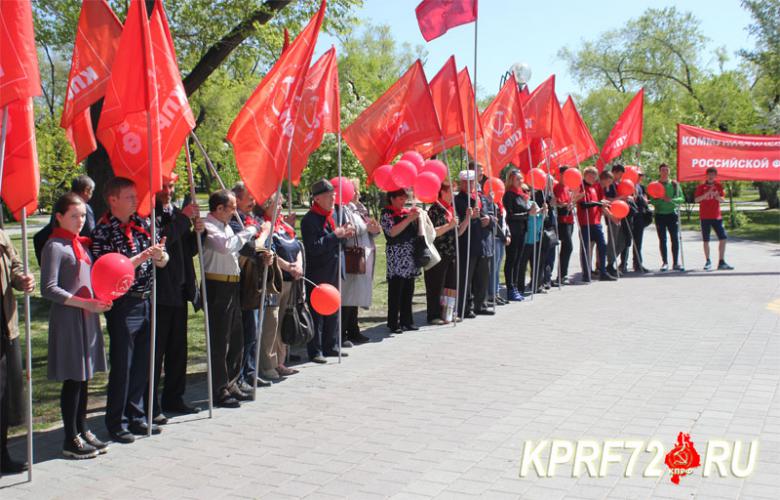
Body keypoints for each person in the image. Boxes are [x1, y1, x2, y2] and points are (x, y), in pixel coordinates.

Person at [91, 177, 169, 443]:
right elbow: (109, 269)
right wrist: (144, 256)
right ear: (112, 200)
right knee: (123, 364)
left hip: (147, 298)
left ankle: (137, 415)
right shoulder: (103, 231)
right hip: (123, 304)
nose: (136, 201)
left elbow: (161, 259)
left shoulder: (142, 225)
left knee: (144, 363)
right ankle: (117, 421)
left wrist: (160, 256)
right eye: (129, 197)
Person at [41, 193, 111, 459]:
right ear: (58, 217)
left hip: (86, 316)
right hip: (69, 318)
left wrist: (100, 298)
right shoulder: (55, 246)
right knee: (73, 378)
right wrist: (84, 303)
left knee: (84, 377)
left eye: (83, 215)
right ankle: (70, 437)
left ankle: (82, 428)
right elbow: (49, 289)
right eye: (74, 215)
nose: (80, 220)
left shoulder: (79, 244)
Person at [151, 173, 204, 425]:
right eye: (164, 186)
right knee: (157, 351)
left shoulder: (175, 213)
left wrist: (198, 234)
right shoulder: (151, 213)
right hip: (160, 292)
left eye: (171, 186)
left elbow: (188, 250)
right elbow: (163, 239)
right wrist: (183, 219)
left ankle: (175, 396)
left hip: (180, 289)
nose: (168, 191)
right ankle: (152, 403)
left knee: (177, 351)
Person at [203, 189, 263, 408]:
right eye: (231, 208)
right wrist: (250, 230)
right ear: (219, 208)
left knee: (236, 337)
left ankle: (232, 382)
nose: (234, 212)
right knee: (220, 340)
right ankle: (219, 388)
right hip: (216, 285)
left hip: (232, 283)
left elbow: (236, 250)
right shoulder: (208, 226)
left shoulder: (226, 225)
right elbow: (225, 247)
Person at [301, 179, 354, 362]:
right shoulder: (309, 219)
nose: (333, 198)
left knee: (334, 308)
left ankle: (331, 345)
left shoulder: (333, 215)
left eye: (333, 195)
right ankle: (315, 350)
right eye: (328, 196)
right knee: (317, 313)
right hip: (318, 271)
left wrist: (344, 235)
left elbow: (334, 241)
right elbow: (314, 247)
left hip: (334, 268)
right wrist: (335, 235)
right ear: (317, 198)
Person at [230, 183, 273, 390]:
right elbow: (249, 248)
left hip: (257, 279)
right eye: (248, 197)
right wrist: (263, 235)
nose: (253, 201)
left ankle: (251, 372)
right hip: (243, 283)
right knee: (247, 331)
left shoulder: (252, 219)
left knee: (256, 329)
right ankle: (240, 376)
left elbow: (262, 247)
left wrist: (266, 252)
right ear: (236, 199)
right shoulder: (234, 221)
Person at [0, 228, 35, 475]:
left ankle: (2, 454)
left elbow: (14, 263)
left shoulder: (1, 234)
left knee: (3, 397)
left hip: (5, 325)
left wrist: (22, 278)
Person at [256, 194, 301, 377]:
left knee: (284, 321)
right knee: (271, 322)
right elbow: (269, 252)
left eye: (282, 204)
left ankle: (281, 362)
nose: (281, 208)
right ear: (266, 205)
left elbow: (297, 246)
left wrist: (298, 265)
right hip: (274, 280)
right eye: (277, 204)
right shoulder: (263, 225)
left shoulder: (285, 225)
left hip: (291, 279)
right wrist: (288, 266)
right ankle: (268, 364)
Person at [341, 178, 380, 342]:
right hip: (352, 256)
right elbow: (349, 229)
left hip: (364, 256)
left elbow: (368, 229)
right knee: (348, 295)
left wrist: (375, 230)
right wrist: (366, 228)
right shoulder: (344, 210)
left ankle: (354, 329)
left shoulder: (360, 209)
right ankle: (343, 332)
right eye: (354, 190)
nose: (357, 193)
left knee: (356, 295)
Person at [381, 189, 421, 333]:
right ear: (392, 198)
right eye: (400, 199)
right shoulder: (386, 213)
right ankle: (394, 323)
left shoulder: (406, 212)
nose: (403, 201)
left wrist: (417, 219)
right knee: (396, 290)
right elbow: (391, 232)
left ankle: (407, 321)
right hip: (396, 257)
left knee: (409, 289)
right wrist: (409, 219)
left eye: (405, 199)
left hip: (409, 257)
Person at [424, 179, 462, 325]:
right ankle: (433, 314)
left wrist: (465, 221)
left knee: (450, 285)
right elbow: (433, 232)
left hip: (452, 251)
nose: (453, 195)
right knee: (436, 285)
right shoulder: (435, 210)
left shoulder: (450, 208)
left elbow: (456, 230)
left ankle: (448, 313)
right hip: (439, 253)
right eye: (451, 192)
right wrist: (449, 225)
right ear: (443, 192)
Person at [574, 167, 616, 282]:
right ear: (585, 175)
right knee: (586, 249)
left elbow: (601, 202)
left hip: (596, 222)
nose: (592, 178)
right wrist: (598, 203)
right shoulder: (580, 187)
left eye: (594, 175)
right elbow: (583, 205)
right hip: (585, 223)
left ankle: (603, 271)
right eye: (590, 175)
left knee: (602, 246)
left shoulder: (597, 187)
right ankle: (586, 274)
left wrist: (610, 214)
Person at [454, 169, 485, 318]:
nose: (469, 185)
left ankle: (475, 304)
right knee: (466, 276)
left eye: (472, 182)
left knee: (477, 276)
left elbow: (482, 215)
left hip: (478, 240)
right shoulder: (459, 200)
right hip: (465, 241)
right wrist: (471, 217)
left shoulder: (477, 197)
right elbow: (460, 221)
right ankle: (464, 307)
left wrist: (485, 218)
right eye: (466, 182)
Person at [694, 167, 734, 271]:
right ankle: (708, 261)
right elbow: (696, 200)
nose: (711, 176)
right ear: (706, 175)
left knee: (723, 238)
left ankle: (721, 261)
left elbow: (722, 200)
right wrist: (705, 195)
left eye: (713, 175)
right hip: (705, 217)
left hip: (716, 216)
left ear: (715, 176)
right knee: (706, 240)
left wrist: (717, 197)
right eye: (709, 174)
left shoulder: (718, 186)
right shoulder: (701, 187)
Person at [503, 169, 531, 301]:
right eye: (518, 179)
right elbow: (510, 215)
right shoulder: (509, 195)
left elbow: (525, 212)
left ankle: (515, 287)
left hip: (522, 231)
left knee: (518, 260)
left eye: (521, 179)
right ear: (511, 180)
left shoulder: (521, 195)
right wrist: (527, 214)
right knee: (511, 260)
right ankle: (510, 288)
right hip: (513, 232)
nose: (521, 181)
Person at [650, 163, 685, 271]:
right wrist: (661, 199)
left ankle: (676, 263)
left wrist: (671, 200)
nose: (665, 172)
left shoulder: (674, 184)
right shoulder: (655, 185)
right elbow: (652, 200)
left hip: (672, 215)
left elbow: (681, 199)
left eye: (666, 170)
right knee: (662, 239)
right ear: (659, 172)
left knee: (674, 239)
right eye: (663, 170)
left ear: (669, 171)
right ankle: (664, 262)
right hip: (660, 215)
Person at [518, 197, 547, 294]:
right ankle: (520, 288)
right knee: (522, 266)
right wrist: (530, 213)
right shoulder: (521, 205)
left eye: (528, 191)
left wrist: (544, 211)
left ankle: (536, 285)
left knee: (536, 264)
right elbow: (524, 218)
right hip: (525, 241)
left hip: (536, 240)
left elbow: (541, 218)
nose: (527, 194)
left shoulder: (533, 202)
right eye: (524, 191)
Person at [553, 167, 575, 284]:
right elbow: (557, 203)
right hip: (562, 221)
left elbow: (568, 202)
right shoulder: (556, 187)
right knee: (568, 246)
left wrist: (571, 203)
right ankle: (561, 275)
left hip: (570, 220)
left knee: (566, 248)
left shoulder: (567, 187)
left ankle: (562, 274)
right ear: (561, 175)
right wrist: (564, 205)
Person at [631, 171, 651, 273]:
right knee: (625, 243)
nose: (640, 177)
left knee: (638, 242)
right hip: (630, 217)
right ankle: (622, 263)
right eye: (638, 175)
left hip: (640, 217)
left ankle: (638, 263)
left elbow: (645, 199)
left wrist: (644, 199)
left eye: (641, 176)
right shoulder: (629, 185)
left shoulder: (641, 187)